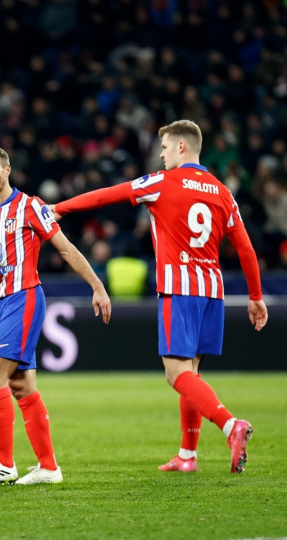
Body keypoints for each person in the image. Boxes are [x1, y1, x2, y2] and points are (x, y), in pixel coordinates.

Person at [52, 120, 268, 474]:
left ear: (182, 147)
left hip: (179, 288)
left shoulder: (162, 182)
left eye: (165, 148)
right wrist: (256, 296)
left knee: (175, 374)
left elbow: (108, 194)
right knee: (191, 372)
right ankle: (188, 454)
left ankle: (231, 426)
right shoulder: (222, 192)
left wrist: (61, 207)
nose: (161, 154)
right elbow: (245, 248)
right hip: (212, 291)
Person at [0, 144, 112, 486]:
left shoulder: (30, 207)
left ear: (7, 170)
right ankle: (48, 466)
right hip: (2, 303)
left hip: (25, 298)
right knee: (20, 384)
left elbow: (65, 248)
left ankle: (4, 462)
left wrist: (97, 285)